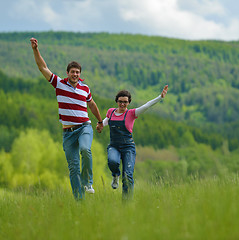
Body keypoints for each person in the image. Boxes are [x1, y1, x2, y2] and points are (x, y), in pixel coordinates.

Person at [30, 38, 104, 200]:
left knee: (85, 149)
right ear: (68, 73)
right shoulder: (59, 84)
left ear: (80, 74)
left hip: (84, 127)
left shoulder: (85, 88)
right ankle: (79, 201)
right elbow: (42, 67)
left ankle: (88, 182)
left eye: (78, 72)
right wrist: (36, 49)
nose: (75, 74)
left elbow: (92, 105)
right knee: (73, 168)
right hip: (68, 132)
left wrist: (99, 121)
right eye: (72, 72)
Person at [101, 85, 168, 199]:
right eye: (120, 101)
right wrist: (100, 125)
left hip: (128, 147)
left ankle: (126, 203)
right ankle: (115, 175)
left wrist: (160, 97)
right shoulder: (111, 112)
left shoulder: (132, 113)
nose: (122, 104)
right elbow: (106, 120)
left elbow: (147, 105)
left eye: (125, 102)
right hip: (114, 146)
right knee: (112, 161)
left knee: (128, 175)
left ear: (129, 102)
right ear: (116, 101)